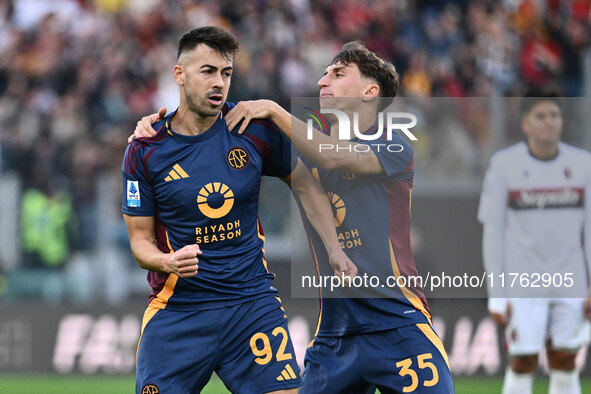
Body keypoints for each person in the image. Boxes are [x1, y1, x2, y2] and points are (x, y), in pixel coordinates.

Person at [135, 41, 454, 394]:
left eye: (337, 73)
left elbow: (332, 156)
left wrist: (273, 109)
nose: (322, 81)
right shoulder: (304, 141)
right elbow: (203, 131)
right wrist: (157, 126)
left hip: (399, 324)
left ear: (370, 91)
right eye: (323, 74)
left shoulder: (394, 144)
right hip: (335, 337)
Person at [122, 26, 355, 394]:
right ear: (179, 75)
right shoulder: (146, 149)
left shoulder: (253, 128)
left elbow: (307, 184)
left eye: (226, 73)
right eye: (208, 71)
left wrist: (334, 247)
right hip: (179, 311)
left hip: (250, 305)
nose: (219, 82)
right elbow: (139, 242)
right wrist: (168, 262)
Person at [478, 90, 591, 394]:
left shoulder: (583, 165)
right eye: (540, 116)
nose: (549, 122)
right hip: (524, 284)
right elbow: (493, 232)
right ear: (525, 123)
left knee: (566, 364)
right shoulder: (504, 165)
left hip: (572, 284)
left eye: (554, 115)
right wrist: (497, 294)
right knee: (522, 364)